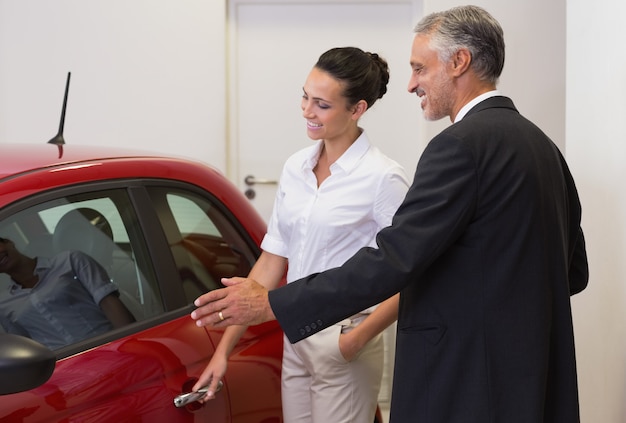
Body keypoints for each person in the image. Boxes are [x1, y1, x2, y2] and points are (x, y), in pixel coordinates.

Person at [191, 6, 589, 422]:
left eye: (419, 68)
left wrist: (276, 304)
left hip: (467, 375)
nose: (411, 83)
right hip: (531, 370)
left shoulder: (458, 146)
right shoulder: (543, 146)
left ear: (459, 62)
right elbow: (573, 271)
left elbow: (395, 259)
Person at [191, 47, 409, 422]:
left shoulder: (383, 178)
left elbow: (413, 271)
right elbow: (271, 263)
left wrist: (356, 339)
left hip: (345, 341)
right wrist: (224, 350)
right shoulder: (296, 167)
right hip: (295, 336)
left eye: (322, 105)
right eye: (305, 97)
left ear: (357, 109)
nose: (307, 111)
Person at [0, 236, 135, 350]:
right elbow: (26, 349)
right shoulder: (3, 305)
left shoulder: (71, 260)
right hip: (66, 373)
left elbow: (109, 303)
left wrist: (128, 345)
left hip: (109, 350)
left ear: (8, 242)